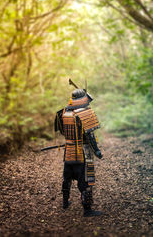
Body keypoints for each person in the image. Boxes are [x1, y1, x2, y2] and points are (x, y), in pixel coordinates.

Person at [54, 88, 103, 217]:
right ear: (83, 98)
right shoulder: (85, 113)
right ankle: (87, 210)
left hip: (69, 151)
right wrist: (96, 150)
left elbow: (63, 131)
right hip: (81, 152)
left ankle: (65, 202)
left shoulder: (63, 112)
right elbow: (90, 136)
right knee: (86, 181)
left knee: (67, 178)